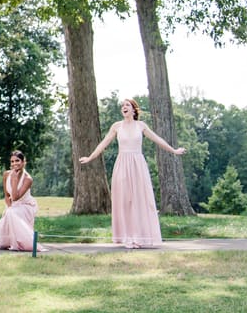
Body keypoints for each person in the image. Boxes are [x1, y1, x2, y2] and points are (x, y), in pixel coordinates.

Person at [79, 98, 187, 248]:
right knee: (124, 201)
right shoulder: (116, 126)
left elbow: (157, 139)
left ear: (134, 109)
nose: (124, 107)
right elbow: (104, 143)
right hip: (122, 164)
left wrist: (174, 150)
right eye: (122, 105)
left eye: (127, 105)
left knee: (139, 200)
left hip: (137, 165)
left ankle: (139, 237)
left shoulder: (141, 126)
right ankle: (126, 237)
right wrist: (90, 157)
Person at [0, 150, 43, 252]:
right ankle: (10, 241)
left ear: (24, 162)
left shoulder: (28, 179)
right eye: (12, 161)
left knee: (12, 212)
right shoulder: (6, 174)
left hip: (25, 206)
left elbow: (15, 197)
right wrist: (9, 206)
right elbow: (7, 195)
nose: (14, 163)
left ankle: (24, 243)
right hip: (12, 206)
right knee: (1, 243)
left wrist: (15, 179)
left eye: (17, 161)